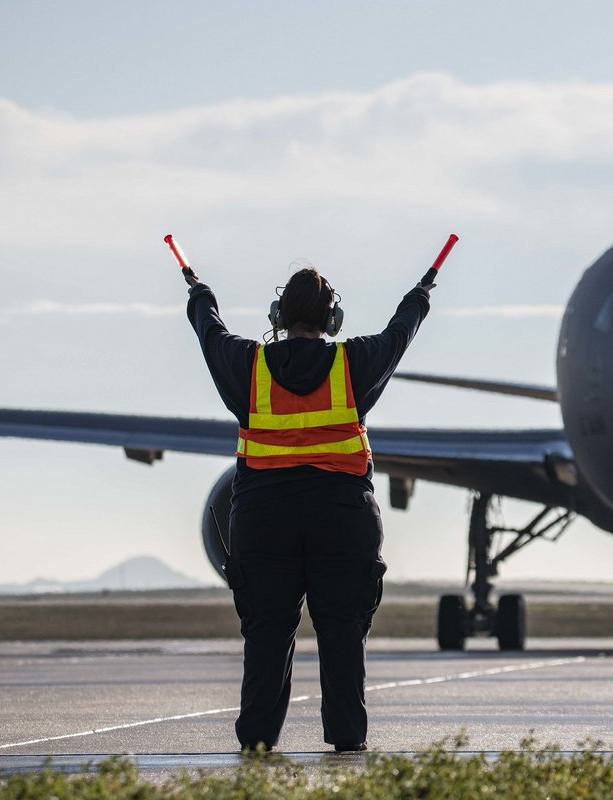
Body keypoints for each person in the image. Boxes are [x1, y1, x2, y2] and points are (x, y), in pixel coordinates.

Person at [182, 259, 433, 752]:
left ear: (278, 315)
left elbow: (210, 333)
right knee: (342, 632)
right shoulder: (353, 363)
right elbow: (399, 335)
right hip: (341, 519)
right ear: (332, 320)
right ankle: (346, 740)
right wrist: (420, 296)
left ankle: (256, 740)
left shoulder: (248, 365)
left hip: (263, 521)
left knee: (267, 633)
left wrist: (199, 292)